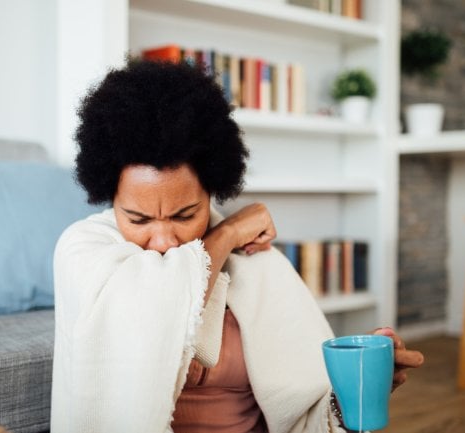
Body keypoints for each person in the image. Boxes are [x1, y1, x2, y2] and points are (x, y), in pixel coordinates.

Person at [50, 59, 424, 433]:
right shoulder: (81, 249)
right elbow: (146, 319)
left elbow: (308, 411)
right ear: (110, 198)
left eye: (184, 216)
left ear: (212, 189)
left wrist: (351, 393)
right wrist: (226, 233)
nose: (163, 242)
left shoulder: (254, 261)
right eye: (138, 219)